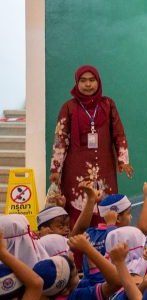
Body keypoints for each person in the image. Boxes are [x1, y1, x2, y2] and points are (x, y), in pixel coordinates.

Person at [49, 65, 133, 225]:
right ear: (77, 83)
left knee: (105, 207)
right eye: (83, 80)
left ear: (98, 81)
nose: (88, 84)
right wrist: (55, 169)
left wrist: (123, 160)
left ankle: (106, 238)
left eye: (92, 80)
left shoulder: (108, 104)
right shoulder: (69, 107)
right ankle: (78, 239)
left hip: (105, 167)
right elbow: (60, 140)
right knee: (77, 208)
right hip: (76, 169)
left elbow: (119, 134)